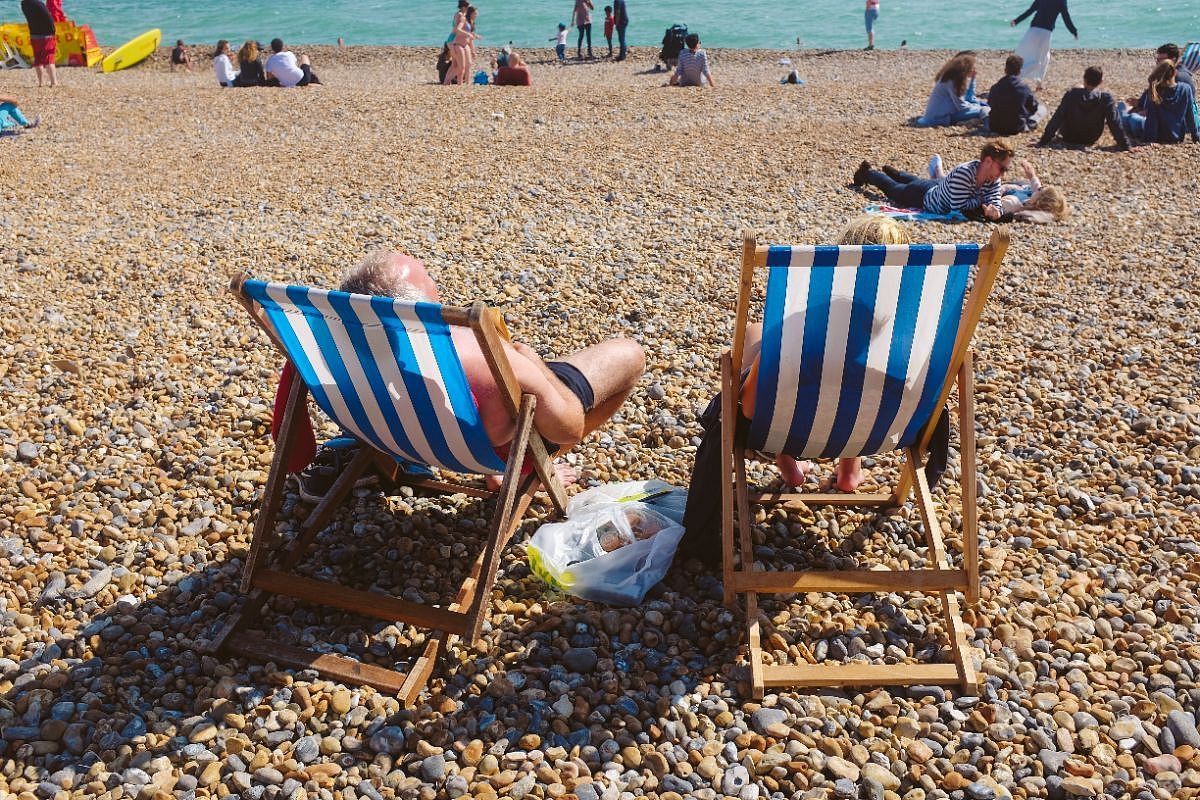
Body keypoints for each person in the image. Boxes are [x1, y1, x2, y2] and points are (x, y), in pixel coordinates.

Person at [300, 251, 645, 495]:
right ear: (420, 312)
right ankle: (522, 475)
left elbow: (296, 454)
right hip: (488, 454)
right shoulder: (482, 357)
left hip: (390, 435)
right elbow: (570, 428)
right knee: (629, 356)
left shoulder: (319, 349)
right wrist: (535, 365)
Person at [678, 216, 914, 567]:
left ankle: (785, 457)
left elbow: (750, 406)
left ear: (840, 262)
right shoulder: (918, 329)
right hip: (877, 427)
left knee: (760, 341)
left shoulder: (807, 319)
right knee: (857, 373)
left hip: (791, 425)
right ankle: (850, 467)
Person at [852, 139, 1016, 221]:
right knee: (894, 190)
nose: (1002, 174)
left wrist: (996, 211)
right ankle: (867, 173)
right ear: (987, 161)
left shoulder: (993, 178)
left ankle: (897, 173)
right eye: (1002, 168)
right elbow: (958, 208)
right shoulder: (964, 174)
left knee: (914, 181)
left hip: (939, 187)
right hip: (925, 196)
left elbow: (995, 201)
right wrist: (982, 204)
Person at [928, 155, 1068, 223]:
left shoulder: (1015, 204)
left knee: (942, 183)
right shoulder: (1032, 198)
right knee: (946, 183)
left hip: (975, 193)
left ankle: (938, 171)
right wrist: (1032, 175)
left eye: (1041, 191)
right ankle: (938, 173)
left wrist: (1001, 189)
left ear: (1038, 202)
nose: (1039, 188)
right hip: (992, 188)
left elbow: (994, 200)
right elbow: (1037, 187)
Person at [1036, 66, 1129, 149]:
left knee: (1063, 112)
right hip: (1091, 137)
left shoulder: (1071, 94)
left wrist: (1043, 141)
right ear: (1101, 82)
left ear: (1084, 79)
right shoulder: (1105, 98)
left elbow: (1057, 118)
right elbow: (1114, 122)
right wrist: (1126, 145)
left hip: (1068, 136)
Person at [1120, 62, 1199, 145]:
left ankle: (1124, 109)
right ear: (1175, 73)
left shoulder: (1156, 91)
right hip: (1177, 136)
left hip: (1158, 137)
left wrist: (1148, 140)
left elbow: (1151, 121)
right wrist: (1195, 136)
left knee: (1126, 113)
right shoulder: (1185, 89)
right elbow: (1190, 116)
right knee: (1132, 114)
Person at [1010, 0, 1077, 88]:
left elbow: (1030, 10)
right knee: (1040, 60)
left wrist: (1016, 21)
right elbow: (1066, 17)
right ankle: (1019, 77)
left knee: (1028, 55)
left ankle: (1038, 82)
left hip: (1032, 31)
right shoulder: (1061, 1)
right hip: (1045, 33)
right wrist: (1073, 31)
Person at [916, 53, 987, 127]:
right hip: (939, 118)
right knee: (984, 110)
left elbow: (969, 98)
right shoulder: (952, 81)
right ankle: (988, 125)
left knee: (982, 107)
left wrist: (973, 79)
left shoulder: (952, 78)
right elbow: (961, 106)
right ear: (965, 68)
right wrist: (976, 106)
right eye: (972, 67)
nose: (974, 69)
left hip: (938, 116)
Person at [987, 54, 1045, 134]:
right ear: (1019, 71)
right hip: (1016, 127)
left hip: (995, 126)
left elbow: (990, 103)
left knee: (984, 110)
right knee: (1042, 109)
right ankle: (1028, 125)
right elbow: (1033, 107)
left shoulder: (995, 87)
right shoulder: (1024, 88)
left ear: (1005, 69)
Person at [20, 0, 57, 88]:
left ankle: (41, 83)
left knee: (38, 58)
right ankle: (54, 82)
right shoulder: (38, 3)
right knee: (49, 57)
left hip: (34, 34)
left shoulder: (24, 4)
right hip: (46, 34)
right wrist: (53, 30)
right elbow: (48, 18)